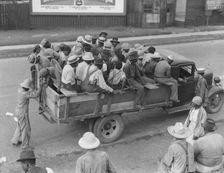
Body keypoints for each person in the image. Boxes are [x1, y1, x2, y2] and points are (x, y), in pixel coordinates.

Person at [11, 79, 43, 148]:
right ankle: (25, 145)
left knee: (19, 126)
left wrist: (32, 88)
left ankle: (14, 140)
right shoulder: (25, 94)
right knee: (25, 128)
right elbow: (36, 95)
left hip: (17, 110)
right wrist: (40, 86)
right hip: (22, 112)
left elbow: (29, 91)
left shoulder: (20, 90)